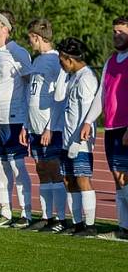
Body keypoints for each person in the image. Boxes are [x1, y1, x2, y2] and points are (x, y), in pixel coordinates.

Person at [0, 10, 34, 228]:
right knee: (2, 168)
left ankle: (26, 214)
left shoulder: (18, 53)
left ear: (5, 29)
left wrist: (26, 120)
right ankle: (5, 212)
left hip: (13, 119)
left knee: (17, 166)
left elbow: (30, 83)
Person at [18, 19, 68, 231]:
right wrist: (25, 125)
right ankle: (46, 216)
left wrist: (49, 127)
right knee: (41, 170)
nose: (30, 43)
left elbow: (59, 98)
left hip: (51, 128)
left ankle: (60, 218)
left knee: (55, 170)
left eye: (31, 38)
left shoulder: (56, 61)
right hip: (34, 127)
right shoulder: (38, 61)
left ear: (37, 37)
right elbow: (32, 95)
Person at [81, 16, 128, 240]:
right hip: (111, 128)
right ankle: (123, 228)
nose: (117, 35)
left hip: (126, 127)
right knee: (118, 178)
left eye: (122, 31)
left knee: (125, 177)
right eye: (114, 31)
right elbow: (102, 94)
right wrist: (89, 120)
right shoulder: (111, 61)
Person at [54, 38, 99, 237]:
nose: (60, 64)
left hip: (80, 141)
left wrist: (80, 141)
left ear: (70, 59)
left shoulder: (87, 78)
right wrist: (64, 74)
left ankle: (90, 225)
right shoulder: (73, 76)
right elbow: (58, 97)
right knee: (67, 179)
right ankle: (78, 223)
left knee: (82, 180)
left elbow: (87, 113)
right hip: (67, 138)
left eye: (62, 60)